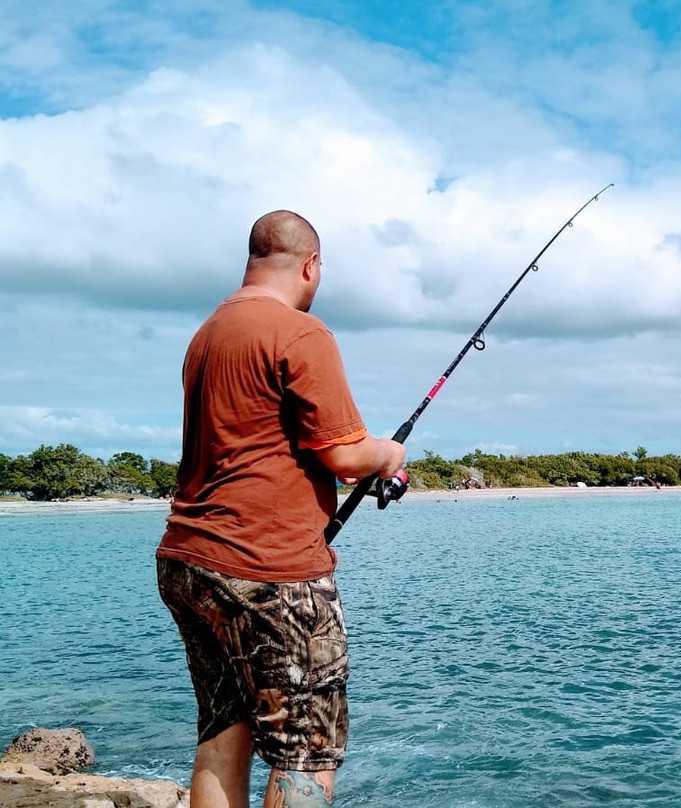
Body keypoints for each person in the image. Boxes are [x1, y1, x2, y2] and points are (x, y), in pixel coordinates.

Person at [157, 210, 406, 808]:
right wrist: (391, 454)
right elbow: (345, 455)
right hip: (267, 570)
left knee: (225, 728)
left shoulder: (209, 333)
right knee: (306, 750)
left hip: (188, 559)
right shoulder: (300, 332)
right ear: (311, 265)